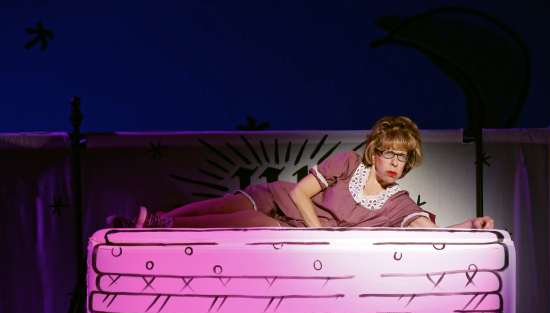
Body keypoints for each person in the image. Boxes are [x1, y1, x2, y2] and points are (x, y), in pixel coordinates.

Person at [108, 116, 494, 231]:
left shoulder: (397, 202)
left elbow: (429, 233)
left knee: (252, 224)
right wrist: (320, 235)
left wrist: (467, 226)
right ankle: (156, 221)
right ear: (375, 152)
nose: (395, 162)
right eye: (389, 153)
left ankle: (161, 226)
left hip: (292, 229)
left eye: (402, 157)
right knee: (230, 206)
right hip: (284, 201)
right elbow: (298, 194)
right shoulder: (348, 162)